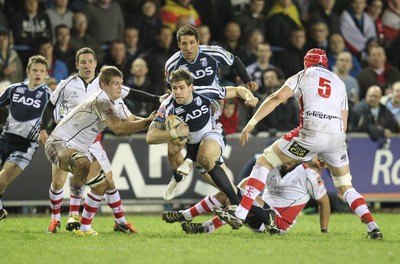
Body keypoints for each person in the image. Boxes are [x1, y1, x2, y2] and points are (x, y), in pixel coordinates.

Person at [214, 48, 384, 240]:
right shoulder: (339, 82)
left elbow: (276, 97)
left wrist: (252, 122)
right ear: (326, 64)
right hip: (336, 137)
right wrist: (325, 150)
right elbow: (343, 122)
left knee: (264, 161)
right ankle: (373, 227)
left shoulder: (303, 75)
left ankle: (241, 214)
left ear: (307, 63)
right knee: (346, 186)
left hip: (310, 132)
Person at [39, 47, 163, 234]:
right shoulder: (95, 96)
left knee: (105, 183)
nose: (121, 88)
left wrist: (156, 111)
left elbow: (130, 120)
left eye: (90, 61)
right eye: (83, 61)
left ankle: (94, 225)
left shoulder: (114, 96)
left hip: (88, 142)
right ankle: (64, 217)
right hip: (62, 140)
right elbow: (120, 128)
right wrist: (148, 121)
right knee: (68, 174)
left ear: (96, 63)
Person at [163, 24, 258, 200]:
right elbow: (172, 85)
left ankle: (190, 160)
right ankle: (181, 174)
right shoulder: (172, 63)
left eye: (192, 43)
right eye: (184, 44)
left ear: (198, 42)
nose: (188, 48)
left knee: (201, 135)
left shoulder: (213, 52)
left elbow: (234, 61)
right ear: (178, 45)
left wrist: (247, 80)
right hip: (185, 103)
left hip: (211, 100)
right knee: (172, 151)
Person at [146, 69, 258, 208]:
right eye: (174, 88)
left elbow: (238, 90)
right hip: (193, 148)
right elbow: (150, 136)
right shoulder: (167, 106)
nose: (177, 92)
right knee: (228, 190)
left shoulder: (204, 91)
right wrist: (175, 133)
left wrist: (249, 97)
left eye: (181, 88)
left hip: (211, 137)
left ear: (190, 87)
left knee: (228, 188)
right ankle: (262, 218)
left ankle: (251, 213)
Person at [162, 159, 330, 235]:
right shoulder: (272, 165)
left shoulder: (310, 176)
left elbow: (324, 202)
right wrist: (237, 194)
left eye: (291, 158)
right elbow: (249, 182)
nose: (286, 161)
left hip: (277, 224)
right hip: (260, 214)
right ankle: (188, 217)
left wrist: (324, 230)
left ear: (299, 158)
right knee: (229, 193)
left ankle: (203, 226)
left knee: (237, 197)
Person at [0, 55, 51, 221]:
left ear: (46, 75)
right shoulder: (13, 89)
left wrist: (45, 130)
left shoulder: (48, 95)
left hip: (26, 145)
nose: (38, 73)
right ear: (28, 71)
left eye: (42, 71)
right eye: (35, 70)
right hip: (5, 138)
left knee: (2, 178)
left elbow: (57, 118)